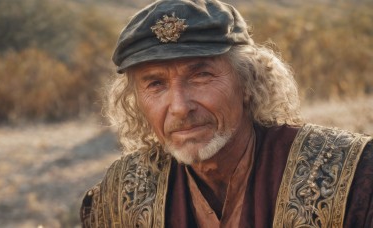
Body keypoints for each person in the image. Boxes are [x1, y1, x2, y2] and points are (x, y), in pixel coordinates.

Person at [80, 0, 373, 227]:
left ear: (248, 80)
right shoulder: (118, 196)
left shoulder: (356, 176)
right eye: (156, 84)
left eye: (201, 76)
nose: (180, 107)